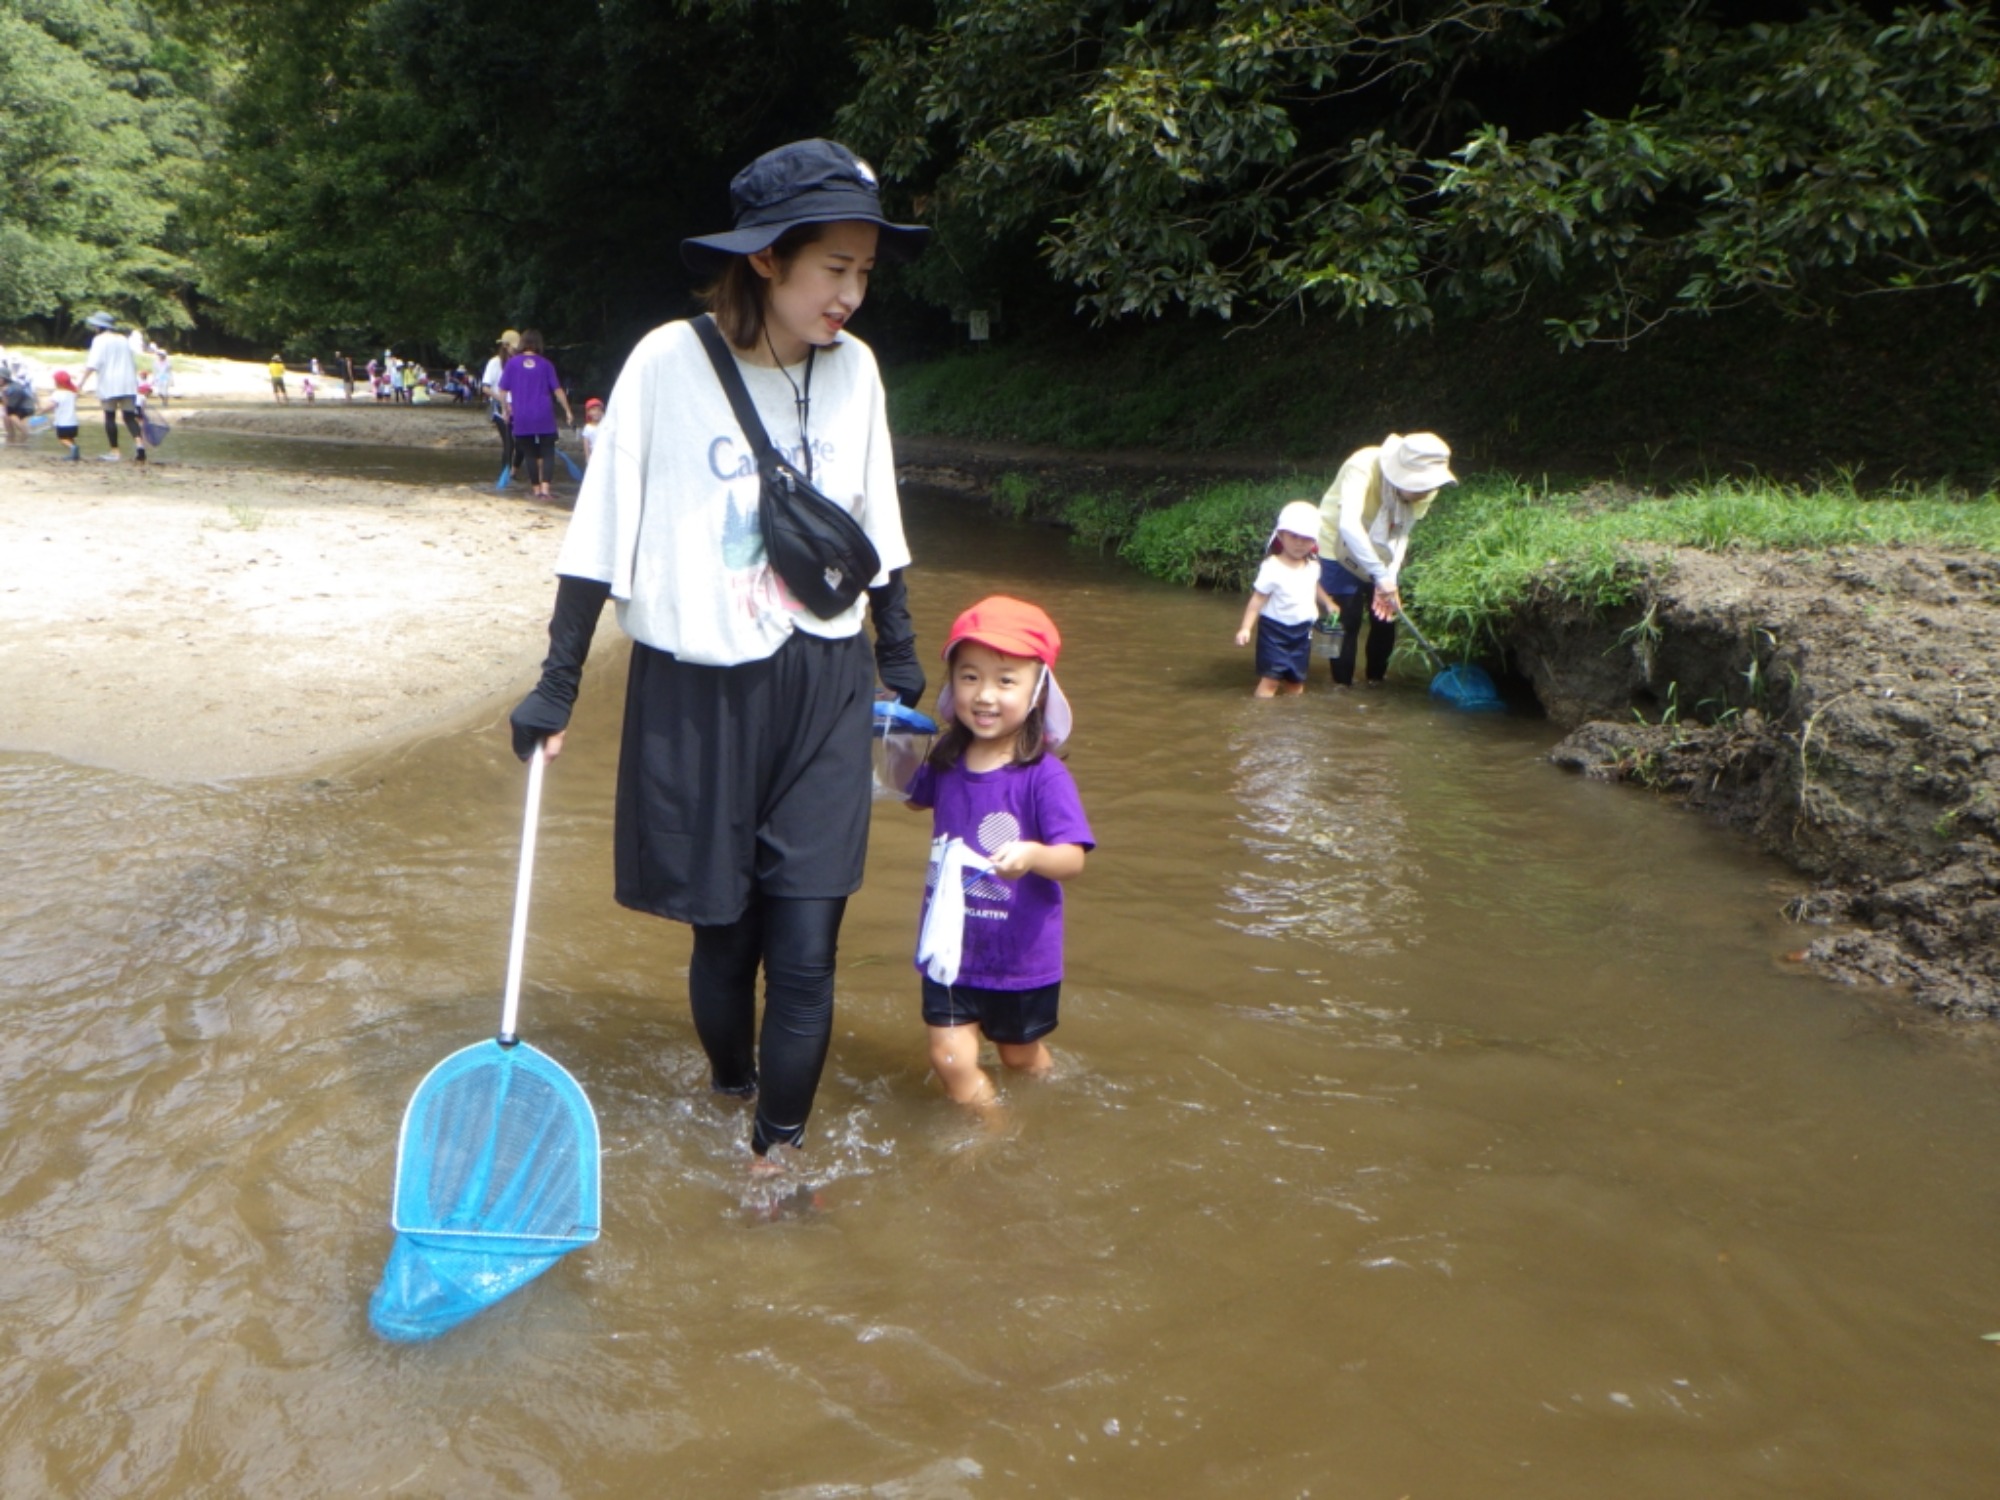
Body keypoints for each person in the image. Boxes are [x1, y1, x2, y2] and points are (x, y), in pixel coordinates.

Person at [507, 137, 929, 1173]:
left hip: (823, 680)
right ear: (766, 259)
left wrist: (901, 654)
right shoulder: (666, 362)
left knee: (806, 944)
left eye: (864, 272)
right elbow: (601, 527)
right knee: (723, 934)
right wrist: (555, 683)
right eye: (835, 268)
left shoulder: (856, 370)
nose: (852, 295)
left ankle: (772, 1159)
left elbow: (877, 514)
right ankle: (731, 1086)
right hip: (698, 683)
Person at [906, 597, 1093, 1106]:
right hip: (949, 946)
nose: (984, 695)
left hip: (1019, 957)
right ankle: (990, 1133)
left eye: (1005, 681)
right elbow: (909, 797)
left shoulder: (1044, 776)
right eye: (969, 677)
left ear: (1038, 692)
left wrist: (1032, 855)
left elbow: (1073, 858)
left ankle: (1047, 1102)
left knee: (1018, 1056)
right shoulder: (946, 758)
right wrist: (888, 742)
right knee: (950, 1058)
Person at [1316, 432, 1456, 687]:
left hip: (1382, 546)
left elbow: (1401, 533)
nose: (1427, 492)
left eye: (1430, 486)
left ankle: (1376, 681)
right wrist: (1379, 575)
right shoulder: (1362, 466)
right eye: (1420, 486)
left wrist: (1388, 579)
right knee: (1347, 617)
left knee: (1386, 616)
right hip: (1337, 543)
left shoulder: (1426, 492)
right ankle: (1342, 687)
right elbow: (1349, 525)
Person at [1236, 500, 1338, 697]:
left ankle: (1293, 720)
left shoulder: (1312, 565)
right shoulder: (1272, 567)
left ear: (1314, 541)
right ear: (1281, 536)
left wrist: (1327, 602)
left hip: (1302, 632)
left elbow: (1314, 585)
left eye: (1306, 538)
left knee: (1296, 682)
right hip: (1274, 632)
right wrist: (1246, 628)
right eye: (1293, 536)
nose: (1299, 543)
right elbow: (1257, 600)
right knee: (1271, 681)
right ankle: (1261, 718)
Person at [497, 331, 572, 499]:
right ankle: (546, 490)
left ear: (522, 343)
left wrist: (504, 410)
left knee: (529, 454)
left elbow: (502, 390)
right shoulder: (546, 364)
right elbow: (558, 390)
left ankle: (536, 491)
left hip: (522, 415)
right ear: (539, 344)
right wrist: (568, 410)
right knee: (547, 452)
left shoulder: (512, 364)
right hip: (544, 413)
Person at [76, 312, 146, 462]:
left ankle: (115, 452)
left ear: (99, 327)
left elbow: (93, 364)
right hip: (128, 383)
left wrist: (80, 383)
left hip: (109, 383)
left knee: (110, 417)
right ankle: (140, 446)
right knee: (129, 418)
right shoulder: (123, 339)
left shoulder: (99, 340)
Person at [482, 331, 518, 471]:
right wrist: (504, 402)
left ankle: (512, 471)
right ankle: (506, 473)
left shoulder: (517, 362)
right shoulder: (494, 363)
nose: (516, 351)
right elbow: (486, 388)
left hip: (517, 407)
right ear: (505, 346)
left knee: (521, 444)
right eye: (514, 348)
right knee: (509, 443)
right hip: (499, 408)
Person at [44, 370, 81, 461]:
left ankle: (73, 448)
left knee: (62, 439)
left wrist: (42, 411)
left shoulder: (57, 394)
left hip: (63, 422)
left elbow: (52, 405)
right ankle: (74, 454)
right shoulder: (72, 393)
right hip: (73, 422)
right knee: (70, 438)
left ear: (57, 382)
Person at [579, 396, 603, 462]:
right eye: (593, 409)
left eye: (599, 410)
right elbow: (586, 444)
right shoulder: (587, 428)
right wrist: (587, 457)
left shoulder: (605, 425)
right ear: (588, 412)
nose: (597, 412)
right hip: (594, 455)